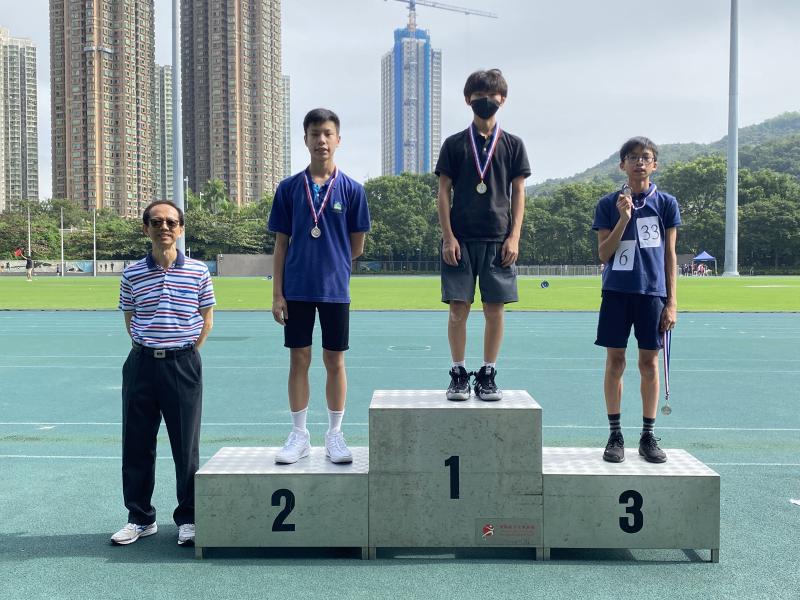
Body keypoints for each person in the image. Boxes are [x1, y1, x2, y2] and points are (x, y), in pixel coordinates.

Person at [268, 108, 370, 464]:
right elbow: (281, 245)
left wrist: (333, 265)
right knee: (299, 358)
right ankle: (299, 434)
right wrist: (277, 293)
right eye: (315, 134)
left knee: (334, 360)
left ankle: (335, 435)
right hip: (295, 289)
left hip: (334, 291)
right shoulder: (289, 189)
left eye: (328, 134)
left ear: (338, 140)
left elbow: (356, 245)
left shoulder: (353, 190)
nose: (321, 140)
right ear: (306, 139)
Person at [111, 200, 215, 546]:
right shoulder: (131, 274)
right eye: (157, 222)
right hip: (142, 364)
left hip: (182, 364)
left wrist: (182, 352)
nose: (165, 227)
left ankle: (188, 517)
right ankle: (140, 517)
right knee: (137, 443)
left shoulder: (199, 271)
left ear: (181, 229)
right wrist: (152, 349)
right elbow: (131, 321)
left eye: (172, 222)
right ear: (146, 229)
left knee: (186, 445)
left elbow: (207, 319)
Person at [435, 69, 531, 401]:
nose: (485, 101)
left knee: (495, 309)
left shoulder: (514, 145)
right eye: (478, 96)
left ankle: (488, 372)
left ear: (502, 99)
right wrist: (448, 237)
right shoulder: (454, 144)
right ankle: (459, 372)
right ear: (467, 100)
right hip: (460, 240)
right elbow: (443, 193)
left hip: (498, 239)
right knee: (458, 308)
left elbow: (519, 193)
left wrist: (514, 236)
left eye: (491, 96)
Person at [593, 137, 680, 464]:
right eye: (632, 157)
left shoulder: (667, 203)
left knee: (649, 363)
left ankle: (647, 434)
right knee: (615, 362)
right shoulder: (608, 204)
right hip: (616, 291)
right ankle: (615, 434)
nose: (639, 162)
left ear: (654, 164)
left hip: (652, 293)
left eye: (646, 157)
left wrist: (671, 302)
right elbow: (604, 254)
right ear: (622, 165)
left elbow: (669, 256)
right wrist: (624, 219)